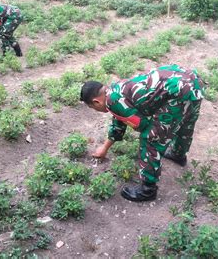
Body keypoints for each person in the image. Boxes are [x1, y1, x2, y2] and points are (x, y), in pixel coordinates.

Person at [80, 64, 204, 202]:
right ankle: (178, 154)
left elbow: (143, 125)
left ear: (96, 102)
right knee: (185, 122)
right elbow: (119, 118)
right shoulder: (116, 89)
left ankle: (147, 190)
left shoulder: (112, 101)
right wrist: (105, 147)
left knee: (150, 138)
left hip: (178, 91)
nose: (96, 110)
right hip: (193, 82)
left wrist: (151, 128)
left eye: (92, 107)